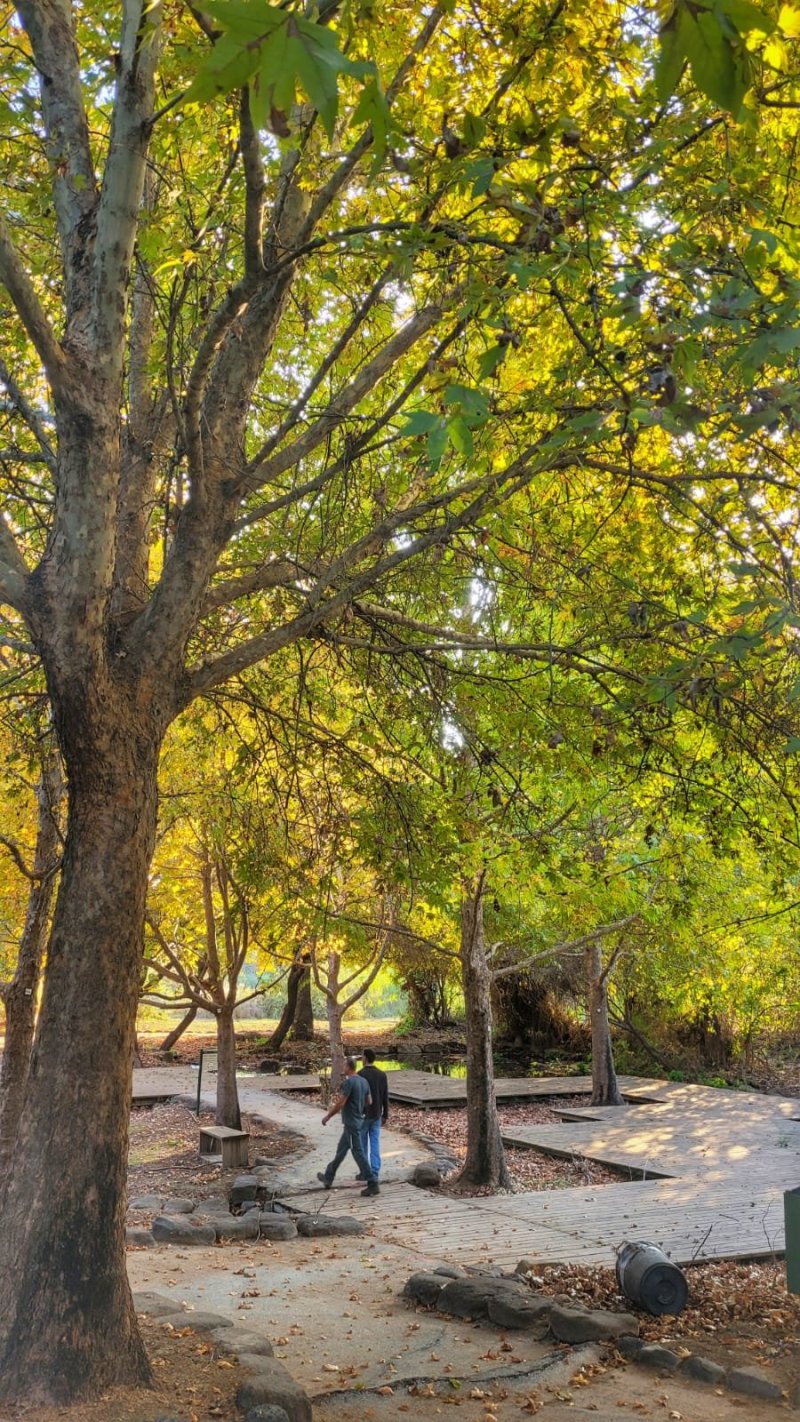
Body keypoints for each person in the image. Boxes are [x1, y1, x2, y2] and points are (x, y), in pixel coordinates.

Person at [318, 1056, 379, 1196]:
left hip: (351, 1123)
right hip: (357, 1121)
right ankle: (328, 1177)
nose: (342, 1068)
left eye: (344, 1065)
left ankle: (372, 1182)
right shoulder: (364, 1082)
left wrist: (328, 1116)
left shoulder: (349, 1083)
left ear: (348, 1067)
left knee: (357, 1152)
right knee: (341, 1150)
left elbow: (341, 1103)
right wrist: (357, 1106)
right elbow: (369, 1101)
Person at [357, 1048, 389, 1182]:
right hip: (376, 1114)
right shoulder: (382, 1075)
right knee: (375, 1143)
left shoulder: (360, 1074)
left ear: (365, 1058)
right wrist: (385, 1114)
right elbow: (385, 1096)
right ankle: (375, 1171)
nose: (361, 1059)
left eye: (362, 1057)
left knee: (362, 1144)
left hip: (363, 1115)